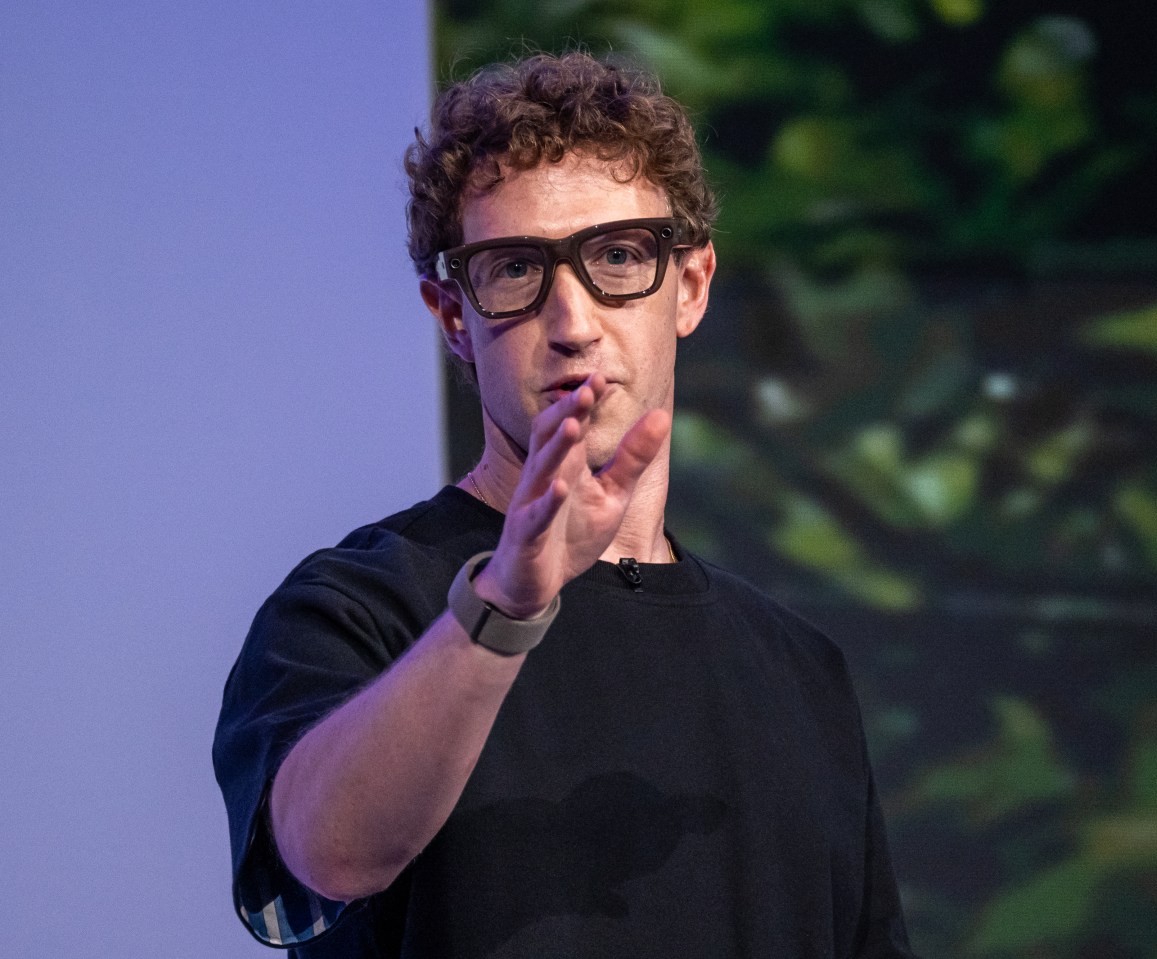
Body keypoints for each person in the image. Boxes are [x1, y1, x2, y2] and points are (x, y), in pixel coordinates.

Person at [213, 51, 916, 958]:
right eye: (515, 270)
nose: (574, 321)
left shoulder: (799, 668)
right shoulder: (354, 605)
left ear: (692, 284)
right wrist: (505, 603)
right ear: (453, 314)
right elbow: (325, 855)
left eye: (618, 257)